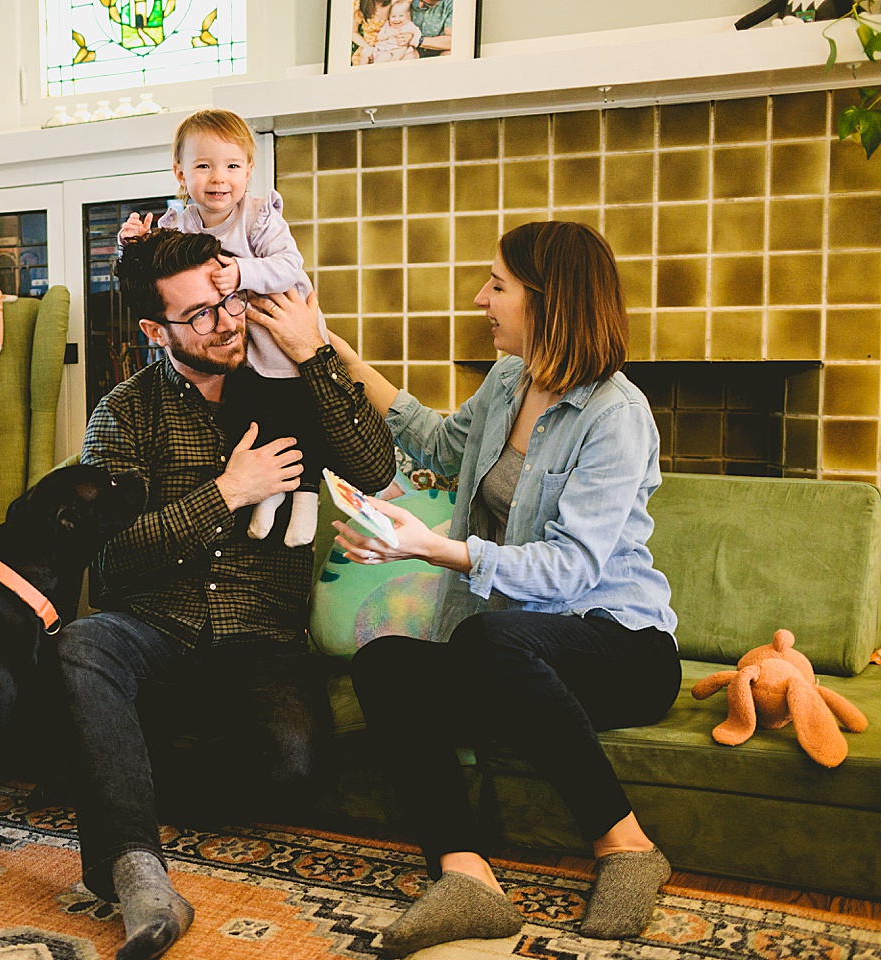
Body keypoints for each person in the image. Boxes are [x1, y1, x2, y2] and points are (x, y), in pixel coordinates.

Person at [327, 220, 680, 957]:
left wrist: (436, 548)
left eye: (498, 284)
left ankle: (627, 846)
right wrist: (330, 350)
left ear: (546, 301)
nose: (481, 298)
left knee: (487, 637)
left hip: (622, 648)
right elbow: (433, 440)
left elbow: (572, 569)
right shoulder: (507, 382)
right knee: (384, 661)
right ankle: (466, 876)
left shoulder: (617, 415)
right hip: (514, 657)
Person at [57, 227, 394, 960]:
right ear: (155, 330)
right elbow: (106, 564)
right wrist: (225, 493)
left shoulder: (292, 386)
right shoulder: (124, 412)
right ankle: (136, 871)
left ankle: (113, 766)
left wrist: (316, 354)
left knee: (294, 766)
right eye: (200, 314)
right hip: (153, 626)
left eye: (229, 298)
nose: (228, 320)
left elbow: (374, 465)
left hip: (260, 637)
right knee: (81, 646)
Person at [120, 108, 329, 546]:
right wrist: (132, 241)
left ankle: (305, 495)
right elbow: (152, 267)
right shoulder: (178, 222)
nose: (219, 178)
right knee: (251, 413)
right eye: (203, 166)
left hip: (280, 326)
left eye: (232, 166)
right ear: (180, 173)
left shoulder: (258, 216)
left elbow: (291, 265)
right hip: (239, 333)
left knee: (298, 407)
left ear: (249, 170)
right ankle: (267, 494)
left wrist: (241, 274)